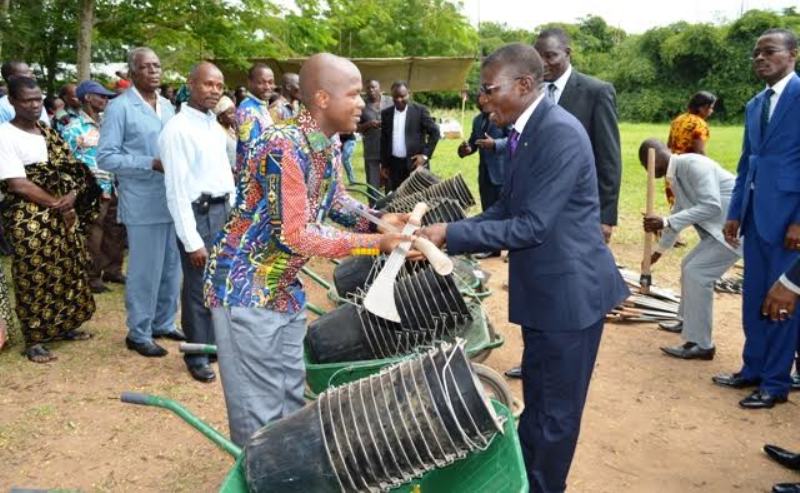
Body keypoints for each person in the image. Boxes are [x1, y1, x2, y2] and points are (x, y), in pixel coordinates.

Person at [418, 43, 629, 493]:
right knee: (539, 400)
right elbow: (506, 209)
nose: (482, 100)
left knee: (556, 413)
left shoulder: (559, 133)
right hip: (546, 294)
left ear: (525, 84)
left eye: (489, 89)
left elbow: (532, 225)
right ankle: (527, 480)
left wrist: (450, 235)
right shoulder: (527, 131)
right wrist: (447, 229)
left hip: (569, 298)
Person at [204, 53, 414, 446]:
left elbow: (336, 200)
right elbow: (295, 235)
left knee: (289, 393)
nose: (362, 104)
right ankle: (261, 468)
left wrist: (381, 221)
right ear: (321, 98)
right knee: (259, 409)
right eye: (353, 94)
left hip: (283, 287)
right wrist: (375, 244)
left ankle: (286, 465)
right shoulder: (282, 146)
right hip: (246, 290)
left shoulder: (324, 143)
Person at [715, 28, 800, 410]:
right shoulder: (754, 104)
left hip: (789, 222)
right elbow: (747, 162)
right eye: (756, 53)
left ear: (793, 54)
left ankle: (776, 382)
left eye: (769, 51)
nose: (760, 58)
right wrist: (735, 211)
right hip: (755, 217)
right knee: (753, 300)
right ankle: (753, 368)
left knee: (782, 301)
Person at [0, 76, 100, 362]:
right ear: (12, 101)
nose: (34, 105)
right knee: (34, 272)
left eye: (38, 100)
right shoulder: (5, 135)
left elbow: (70, 168)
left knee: (66, 267)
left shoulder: (47, 131)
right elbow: (17, 183)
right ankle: (35, 338)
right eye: (27, 100)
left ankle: (64, 324)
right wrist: (56, 202)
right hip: (27, 214)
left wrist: (71, 195)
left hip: (62, 211)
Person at [97, 47, 184, 358]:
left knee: (172, 268)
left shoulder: (169, 106)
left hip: (173, 200)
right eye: (146, 66)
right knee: (145, 271)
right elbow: (106, 157)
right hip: (143, 202)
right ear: (132, 72)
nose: (154, 71)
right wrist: (150, 163)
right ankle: (139, 332)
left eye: (157, 65)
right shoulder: (119, 108)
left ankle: (163, 322)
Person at [159, 62, 234, 383]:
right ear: (190, 84)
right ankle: (196, 354)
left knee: (219, 283)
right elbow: (176, 190)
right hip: (198, 215)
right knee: (197, 287)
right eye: (208, 84)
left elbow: (224, 174)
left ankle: (213, 344)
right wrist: (191, 241)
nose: (214, 90)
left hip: (222, 212)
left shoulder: (213, 125)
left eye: (219, 85)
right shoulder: (177, 130)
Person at [638, 139, 740, 360]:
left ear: (653, 162)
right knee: (688, 266)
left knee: (697, 273)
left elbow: (711, 205)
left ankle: (702, 344)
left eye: (646, 167)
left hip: (734, 234)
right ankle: (688, 322)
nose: (648, 173)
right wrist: (657, 252)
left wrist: (664, 221)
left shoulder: (694, 165)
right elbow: (678, 213)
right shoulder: (677, 175)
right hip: (718, 234)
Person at [534, 28, 621, 244]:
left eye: (550, 56)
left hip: (579, 206)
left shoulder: (596, 92)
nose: (543, 63)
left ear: (567, 53)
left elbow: (608, 158)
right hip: (539, 206)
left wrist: (605, 216)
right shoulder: (532, 93)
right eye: (538, 57)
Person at [62, 80, 125, 294]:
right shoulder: (73, 128)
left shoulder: (108, 124)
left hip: (114, 183)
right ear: (88, 98)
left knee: (115, 229)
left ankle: (113, 270)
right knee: (94, 232)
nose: (106, 100)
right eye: (102, 96)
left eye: (107, 97)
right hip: (92, 188)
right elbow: (67, 161)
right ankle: (92, 276)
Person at [457, 101, 511, 259]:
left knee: (508, 211)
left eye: (482, 97)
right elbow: (473, 143)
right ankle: (492, 247)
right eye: (477, 99)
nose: (480, 101)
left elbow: (514, 140)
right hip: (485, 173)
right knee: (488, 210)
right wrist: (466, 149)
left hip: (503, 172)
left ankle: (512, 248)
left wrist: (495, 144)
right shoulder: (477, 120)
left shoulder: (504, 116)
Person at [380, 80, 440, 191]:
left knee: (417, 196)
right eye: (396, 97)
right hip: (394, 166)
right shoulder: (386, 114)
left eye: (402, 96)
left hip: (415, 164)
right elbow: (384, 140)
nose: (399, 100)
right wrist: (384, 165)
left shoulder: (420, 111)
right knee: (396, 197)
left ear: (409, 94)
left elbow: (435, 132)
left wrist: (425, 156)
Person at [234, 63, 275, 176]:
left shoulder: (260, 106)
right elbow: (250, 152)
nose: (267, 87)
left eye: (270, 82)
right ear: (250, 82)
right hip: (254, 178)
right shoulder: (247, 111)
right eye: (261, 82)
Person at [356, 79, 393, 195]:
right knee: (372, 183)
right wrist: (368, 124)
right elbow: (356, 127)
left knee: (391, 181)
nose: (371, 90)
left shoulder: (390, 101)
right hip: (371, 148)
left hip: (390, 148)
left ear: (380, 88)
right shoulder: (362, 105)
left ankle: (391, 203)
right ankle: (374, 204)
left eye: (374, 87)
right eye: (368, 88)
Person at [0, 61, 50, 125]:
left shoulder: (37, 101)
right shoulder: (2, 107)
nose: (32, 76)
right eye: (26, 72)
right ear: (11, 78)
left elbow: (46, 126)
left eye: (38, 100)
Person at [667, 91, 717, 155]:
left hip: (673, 159)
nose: (712, 111)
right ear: (701, 108)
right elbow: (699, 151)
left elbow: (669, 145)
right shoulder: (699, 124)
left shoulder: (678, 119)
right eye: (711, 108)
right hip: (689, 160)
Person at [214, 95, 237, 169]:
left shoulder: (231, 129)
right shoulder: (218, 132)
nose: (234, 115)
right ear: (220, 116)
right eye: (230, 113)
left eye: (234, 112)